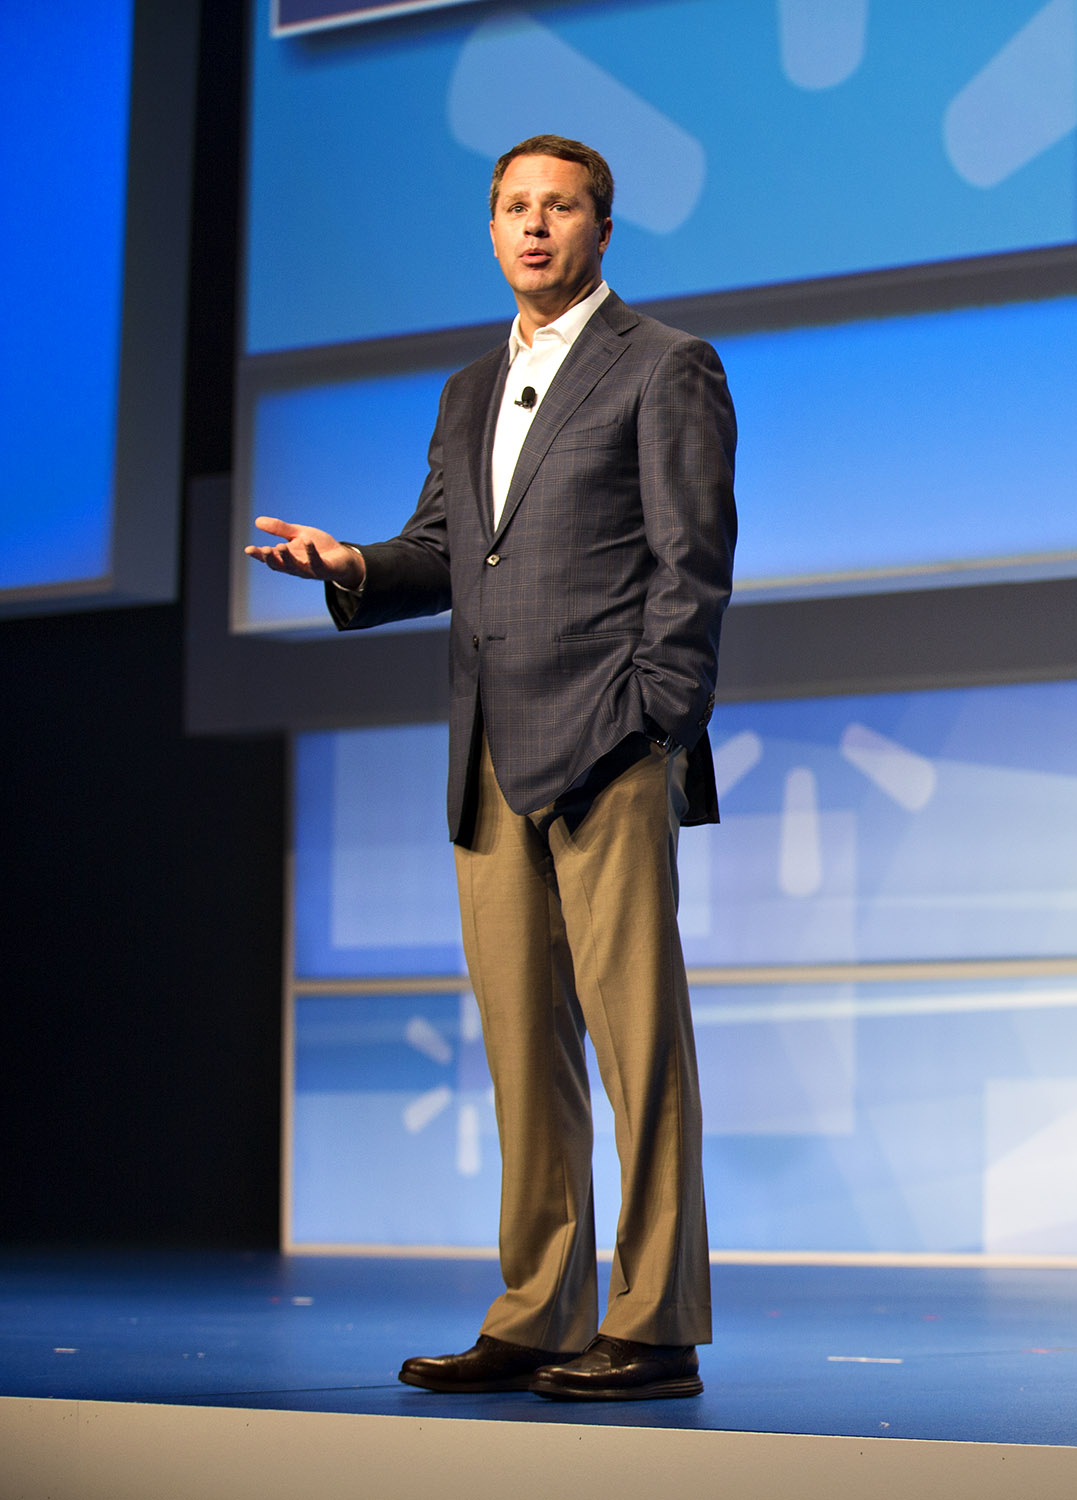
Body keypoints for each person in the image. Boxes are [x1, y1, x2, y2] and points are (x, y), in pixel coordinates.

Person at [247, 134, 735, 1402]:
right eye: (515, 207)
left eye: (560, 207)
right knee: (527, 1051)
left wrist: (655, 717)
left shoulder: (665, 366)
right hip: (487, 753)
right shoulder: (470, 390)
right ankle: (539, 1313)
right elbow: (442, 549)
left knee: (641, 1049)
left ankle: (657, 1322)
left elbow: (692, 565)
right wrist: (351, 563)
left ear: (602, 230)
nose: (535, 226)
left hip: (609, 746)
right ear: (490, 228)